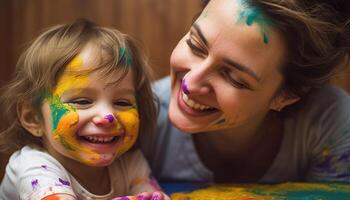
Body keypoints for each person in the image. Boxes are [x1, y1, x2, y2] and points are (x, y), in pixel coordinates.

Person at [142, 0, 350, 183]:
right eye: (195, 45)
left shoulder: (334, 124)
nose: (190, 83)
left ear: (285, 96)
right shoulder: (138, 116)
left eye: (233, 78)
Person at [0, 19, 169, 200]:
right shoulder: (33, 167)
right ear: (33, 117)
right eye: (82, 101)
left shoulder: (130, 163)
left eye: (122, 103)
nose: (108, 116)